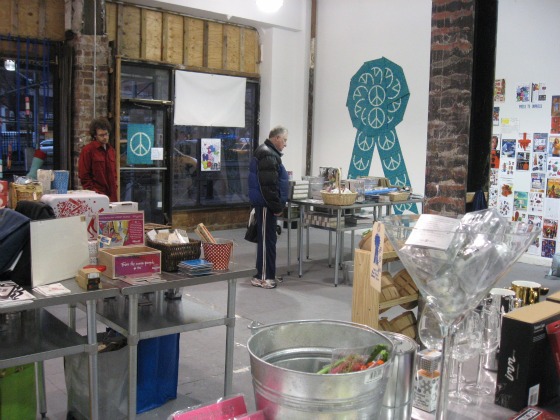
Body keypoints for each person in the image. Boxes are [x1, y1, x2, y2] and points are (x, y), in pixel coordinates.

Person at [248, 126, 289, 289]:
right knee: (267, 242)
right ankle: (263, 277)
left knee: (269, 240)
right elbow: (268, 186)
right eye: (284, 140)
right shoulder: (267, 154)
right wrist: (276, 206)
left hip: (267, 205)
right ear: (276, 138)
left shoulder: (269, 153)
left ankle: (267, 273)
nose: (285, 144)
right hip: (266, 206)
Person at [78, 117, 118, 201]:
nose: (105, 137)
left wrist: (115, 186)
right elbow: (84, 176)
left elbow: (114, 173)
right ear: (95, 135)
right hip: (96, 196)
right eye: (101, 135)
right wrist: (94, 192)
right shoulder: (88, 150)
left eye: (106, 134)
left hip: (112, 195)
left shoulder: (111, 150)